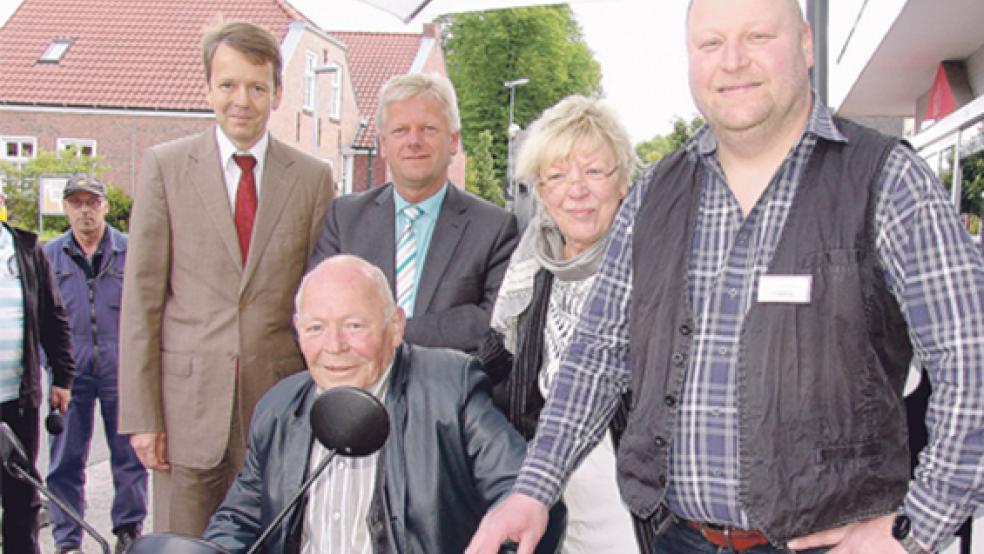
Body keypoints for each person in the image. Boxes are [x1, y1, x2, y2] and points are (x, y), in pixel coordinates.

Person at [467, 0, 984, 553]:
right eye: (710, 44)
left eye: (758, 36)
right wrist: (534, 489)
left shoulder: (887, 179)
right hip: (677, 539)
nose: (732, 61)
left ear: (806, 45)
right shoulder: (654, 193)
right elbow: (597, 353)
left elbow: (971, 356)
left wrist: (916, 527)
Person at [119, 20, 334, 537]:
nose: (243, 100)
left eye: (257, 87)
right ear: (207, 88)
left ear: (277, 93)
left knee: (274, 539)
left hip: (279, 407)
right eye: (229, 85)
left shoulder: (311, 179)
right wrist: (143, 415)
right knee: (183, 543)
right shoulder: (165, 168)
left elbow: (320, 304)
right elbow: (142, 301)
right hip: (185, 414)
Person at [203, 255, 564, 554]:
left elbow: (527, 498)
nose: (334, 346)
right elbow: (241, 520)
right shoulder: (279, 408)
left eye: (354, 326)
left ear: (394, 327)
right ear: (297, 330)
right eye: (315, 328)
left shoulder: (451, 390)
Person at [477, 95, 646, 553]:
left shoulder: (654, 269)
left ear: (624, 183)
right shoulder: (529, 269)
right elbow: (493, 372)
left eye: (594, 172)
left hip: (635, 513)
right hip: (548, 507)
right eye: (556, 176)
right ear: (540, 190)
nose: (577, 190)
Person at [308, 72, 518, 353]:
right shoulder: (344, 218)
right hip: (356, 390)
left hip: (449, 391)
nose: (414, 141)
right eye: (400, 130)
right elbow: (319, 307)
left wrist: (392, 329)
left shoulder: (494, 228)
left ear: (453, 140)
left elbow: (491, 323)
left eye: (428, 129)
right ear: (383, 144)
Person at [44, 175, 148, 554]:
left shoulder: (131, 251)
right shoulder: (48, 256)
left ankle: (128, 529)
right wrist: (53, 369)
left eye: (92, 202)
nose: (85, 210)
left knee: (129, 454)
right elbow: (38, 317)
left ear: (105, 205)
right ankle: (67, 539)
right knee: (66, 456)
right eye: (77, 203)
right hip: (69, 373)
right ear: (66, 207)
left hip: (121, 369)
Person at [0, 208, 76, 553]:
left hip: (17, 397)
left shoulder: (27, 251)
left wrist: (62, 376)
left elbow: (53, 316)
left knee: (21, 493)